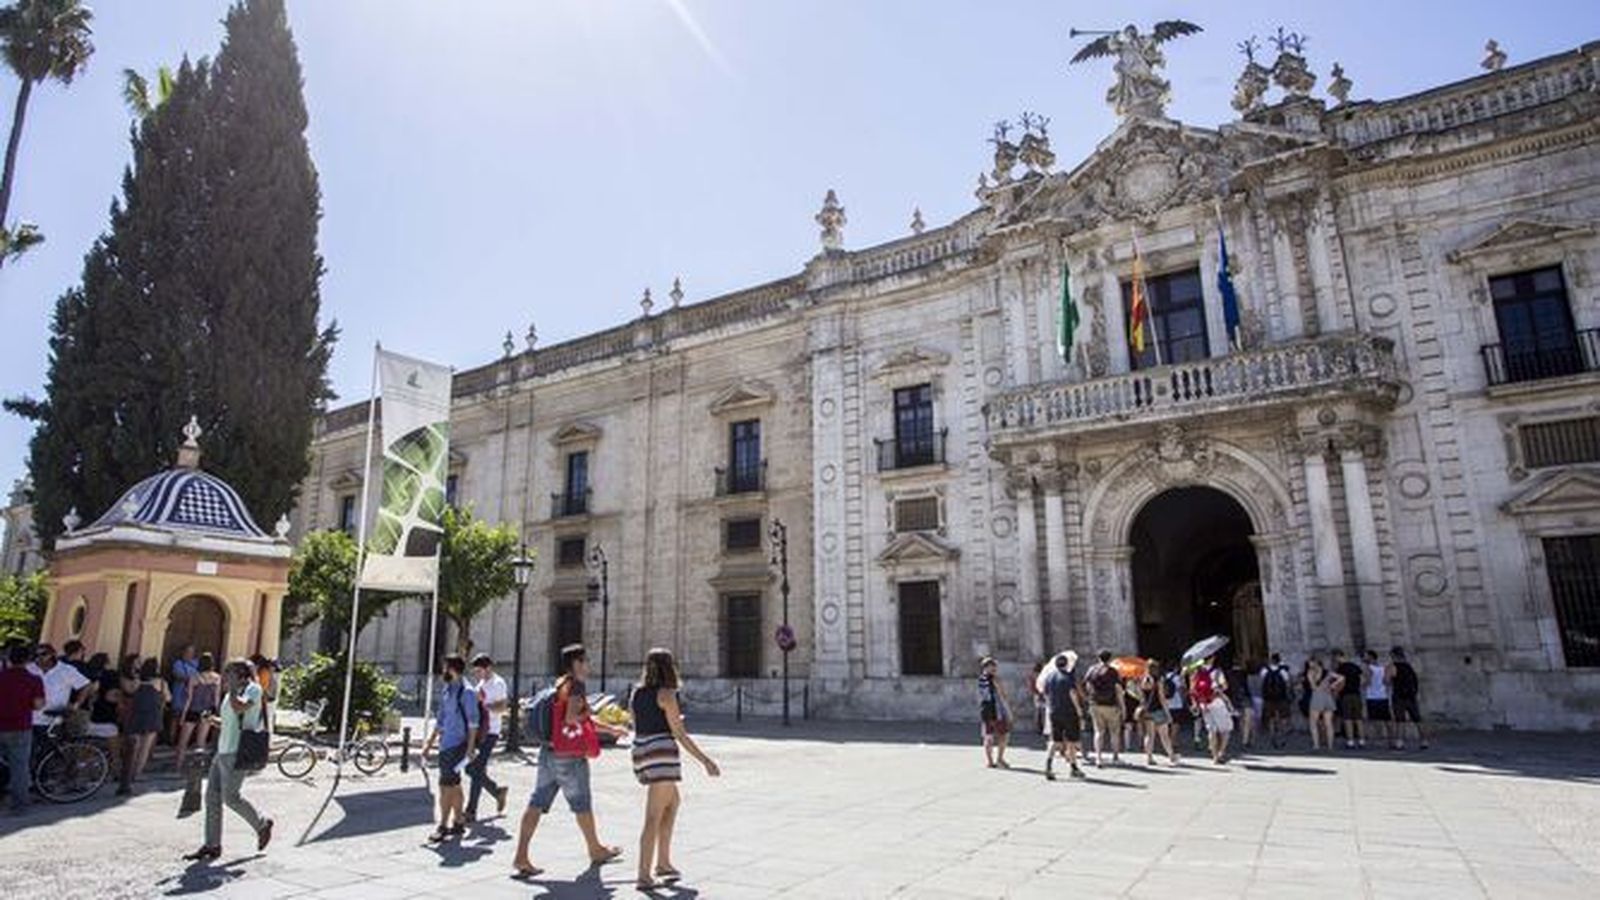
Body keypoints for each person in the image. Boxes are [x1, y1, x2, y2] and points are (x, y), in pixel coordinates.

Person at [512, 644, 627, 878]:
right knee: (581, 803)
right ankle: (595, 849)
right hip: (569, 756)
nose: (588, 665)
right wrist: (588, 711)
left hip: (549, 752)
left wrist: (610, 728)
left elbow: (567, 719)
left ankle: (521, 856)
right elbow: (573, 717)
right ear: (576, 663)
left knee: (537, 801)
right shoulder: (576, 685)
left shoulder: (559, 684)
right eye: (585, 660)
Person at [629, 648, 721, 891]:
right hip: (661, 754)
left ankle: (664, 863)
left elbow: (637, 723)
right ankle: (643, 874)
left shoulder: (636, 693)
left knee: (672, 803)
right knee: (652, 816)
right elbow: (679, 734)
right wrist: (705, 760)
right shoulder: (667, 694)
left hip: (642, 752)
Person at [183, 659, 271, 861]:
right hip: (222, 751)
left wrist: (231, 690)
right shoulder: (231, 694)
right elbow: (231, 720)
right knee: (212, 797)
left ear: (242, 675)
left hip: (238, 751)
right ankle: (212, 844)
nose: (225, 677)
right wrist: (213, 720)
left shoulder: (253, 690)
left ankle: (262, 823)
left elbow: (240, 708)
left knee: (231, 797)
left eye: (230, 673)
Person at [422, 654, 480, 843]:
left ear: (453, 669)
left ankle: (443, 826)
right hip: (446, 745)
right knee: (454, 785)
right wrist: (429, 744)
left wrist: (470, 748)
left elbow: (473, 723)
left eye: (445, 667)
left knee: (445, 786)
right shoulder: (448, 689)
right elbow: (441, 720)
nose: (443, 671)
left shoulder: (467, 692)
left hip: (458, 745)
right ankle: (459, 821)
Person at [463, 653, 511, 823]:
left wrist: (483, 705)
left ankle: (472, 809)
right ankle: (495, 793)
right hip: (480, 731)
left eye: (479, 671)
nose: (477, 675)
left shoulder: (498, 683)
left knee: (472, 769)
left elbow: (502, 706)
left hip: (491, 731)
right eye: (475, 672)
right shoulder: (482, 683)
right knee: (478, 771)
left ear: (488, 668)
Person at [1, 644, 45, 813]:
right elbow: (39, 704)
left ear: (9, 659)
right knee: (20, 767)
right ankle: (19, 805)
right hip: (20, 726)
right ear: (28, 660)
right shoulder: (34, 680)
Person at [27, 643, 92, 751]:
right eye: (36, 655)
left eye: (44, 654)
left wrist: (76, 705)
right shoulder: (29, 668)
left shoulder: (66, 670)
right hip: (29, 717)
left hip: (52, 719)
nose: (39, 658)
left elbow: (86, 685)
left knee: (47, 753)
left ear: (53, 654)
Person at [121, 658, 167, 792]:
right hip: (153, 715)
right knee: (145, 748)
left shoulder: (137, 682)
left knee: (134, 745)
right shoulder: (160, 683)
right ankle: (137, 773)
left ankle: (128, 774)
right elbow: (168, 697)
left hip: (137, 714)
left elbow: (129, 692)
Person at [1036, 651, 1084, 781]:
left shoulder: (1049, 678)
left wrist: (1051, 706)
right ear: (1067, 664)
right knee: (1071, 740)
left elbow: (1045, 694)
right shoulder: (1067, 677)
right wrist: (1079, 709)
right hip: (1068, 712)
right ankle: (1073, 768)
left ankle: (1048, 765)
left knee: (1055, 741)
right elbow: (1072, 694)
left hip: (1054, 712)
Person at [175, 653, 221, 773]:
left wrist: (183, 715)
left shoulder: (194, 678)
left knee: (183, 741)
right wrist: (217, 713)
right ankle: (198, 767)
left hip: (193, 710)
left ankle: (178, 766)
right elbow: (216, 699)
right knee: (201, 741)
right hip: (207, 711)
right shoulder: (216, 678)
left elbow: (189, 698)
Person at [1083, 650, 1124, 767]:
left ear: (1098, 658)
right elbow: (1118, 690)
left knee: (1098, 732)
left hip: (1095, 704)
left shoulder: (1092, 670)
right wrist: (1122, 706)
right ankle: (1115, 756)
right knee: (1114, 732)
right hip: (1111, 705)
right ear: (1110, 659)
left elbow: (1087, 686)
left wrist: (1090, 699)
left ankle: (1099, 758)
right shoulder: (1113, 672)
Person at [1189, 657, 1233, 764]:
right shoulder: (1217, 671)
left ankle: (1214, 757)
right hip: (1217, 702)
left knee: (1211, 730)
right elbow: (1225, 686)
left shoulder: (1195, 672)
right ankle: (1221, 752)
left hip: (1204, 704)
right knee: (1226, 729)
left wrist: (1195, 704)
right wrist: (1217, 690)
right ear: (1212, 659)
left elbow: (1192, 691)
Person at [1138, 660, 1179, 766]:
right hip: (1158, 710)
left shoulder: (1142, 679)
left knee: (1149, 735)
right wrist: (1168, 713)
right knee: (1164, 735)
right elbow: (1161, 697)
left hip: (1147, 710)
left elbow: (1141, 696)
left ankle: (1149, 758)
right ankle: (1171, 756)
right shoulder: (1158, 679)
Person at [1388, 647, 1429, 750]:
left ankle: (1400, 742)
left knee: (1400, 720)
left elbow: (1387, 680)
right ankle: (1424, 741)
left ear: (1393, 656)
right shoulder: (1409, 667)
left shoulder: (1393, 667)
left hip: (1399, 696)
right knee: (1417, 719)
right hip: (1411, 696)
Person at [976, 657, 1012, 768]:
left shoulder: (980, 679)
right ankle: (1000, 759)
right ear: (987, 667)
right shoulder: (995, 679)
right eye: (993, 666)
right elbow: (1002, 695)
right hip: (997, 712)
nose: (995, 668)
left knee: (988, 736)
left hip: (985, 712)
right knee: (1004, 735)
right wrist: (1009, 712)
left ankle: (990, 761)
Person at [1331, 649, 1366, 749]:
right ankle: (1361, 740)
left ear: (1338, 657)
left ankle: (1350, 741)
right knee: (1358, 719)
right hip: (1356, 694)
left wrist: (1336, 693)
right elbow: (1363, 680)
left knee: (1347, 719)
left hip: (1346, 695)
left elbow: (1341, 682)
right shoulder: (1355, 666)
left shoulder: (1341, 668)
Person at [1305, 656, 1341, 751]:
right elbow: (1341, 678)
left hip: (1317, 697)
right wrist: (1332, 686)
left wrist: (1318, 686)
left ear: (1315, 663)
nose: (1309, 664)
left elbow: (1313, 687)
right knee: (1328, 723)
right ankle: (1330, 746)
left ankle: (1316, 745)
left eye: (1310, 662)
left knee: (1313, 723)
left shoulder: (1311, 672)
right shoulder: (1328, 672)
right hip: (1328, 697)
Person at [1259, 653, 1294, 749]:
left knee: (1271, 718)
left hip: (1269, 698)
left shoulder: (1264, 670)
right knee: (1283, 717)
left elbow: (1261, 682)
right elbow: (1288, 683)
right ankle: (1282, 734)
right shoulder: (1283, 671)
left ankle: (1272, 735)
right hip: (1281, 697)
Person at [1362, 649, 1393, 747]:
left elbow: (1368, 682)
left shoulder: (1368, 668)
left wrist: (1362, 684)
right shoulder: (1383, 668)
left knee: (1375, 720)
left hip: (1372, 696)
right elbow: (1387, 681)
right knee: (1386, 720)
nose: (1364, 658)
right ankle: (1391, 739)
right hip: (1383, 696)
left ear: (1371, 657)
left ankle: (1379, 739)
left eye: (1366, 656)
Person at [169, 644, 199, 744]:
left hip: (191, 698)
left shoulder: (196, 663)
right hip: (179, 695)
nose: (189, 654)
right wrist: (190, 680)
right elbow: (177, 675)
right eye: (188, 652)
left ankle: (186, 740)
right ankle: (172, 739)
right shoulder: (178, 663)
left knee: (188, 720)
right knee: (175, 718)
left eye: (192, 652)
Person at [1227, 662, 1255, 751]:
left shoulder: (1229, 674)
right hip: (1246, 698)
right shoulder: (1245, 674)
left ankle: (1243, 735)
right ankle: (1245, 740)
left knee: (1240, 720)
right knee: (1247, 720)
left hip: (1235, 700)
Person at [1026, 660, 1046, 745]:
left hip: (1037, 695)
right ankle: (1043, 728)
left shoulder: (1032, 675)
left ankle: (1039, 728)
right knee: (1043, 712)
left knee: (1038, 712)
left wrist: (1034, 692)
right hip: (1043, 695)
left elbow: (1030, 686)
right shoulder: (1042, 675)